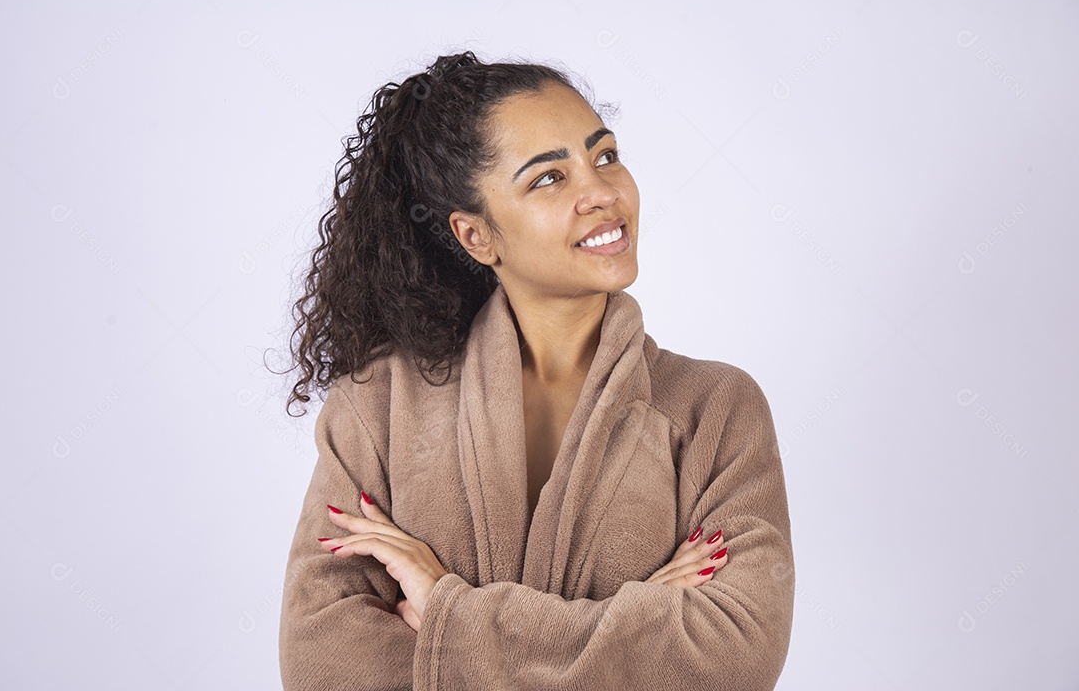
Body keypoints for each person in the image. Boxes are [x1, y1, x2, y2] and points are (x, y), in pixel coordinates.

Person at [277, 50, 795, 690]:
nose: (603, 193)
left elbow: (733, 661)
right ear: (477, 236)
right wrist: (628, 623)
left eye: (604, 156)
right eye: (550, 178)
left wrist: (445, 608)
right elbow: (324, 666)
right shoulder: (377, 404)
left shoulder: (716, 409)